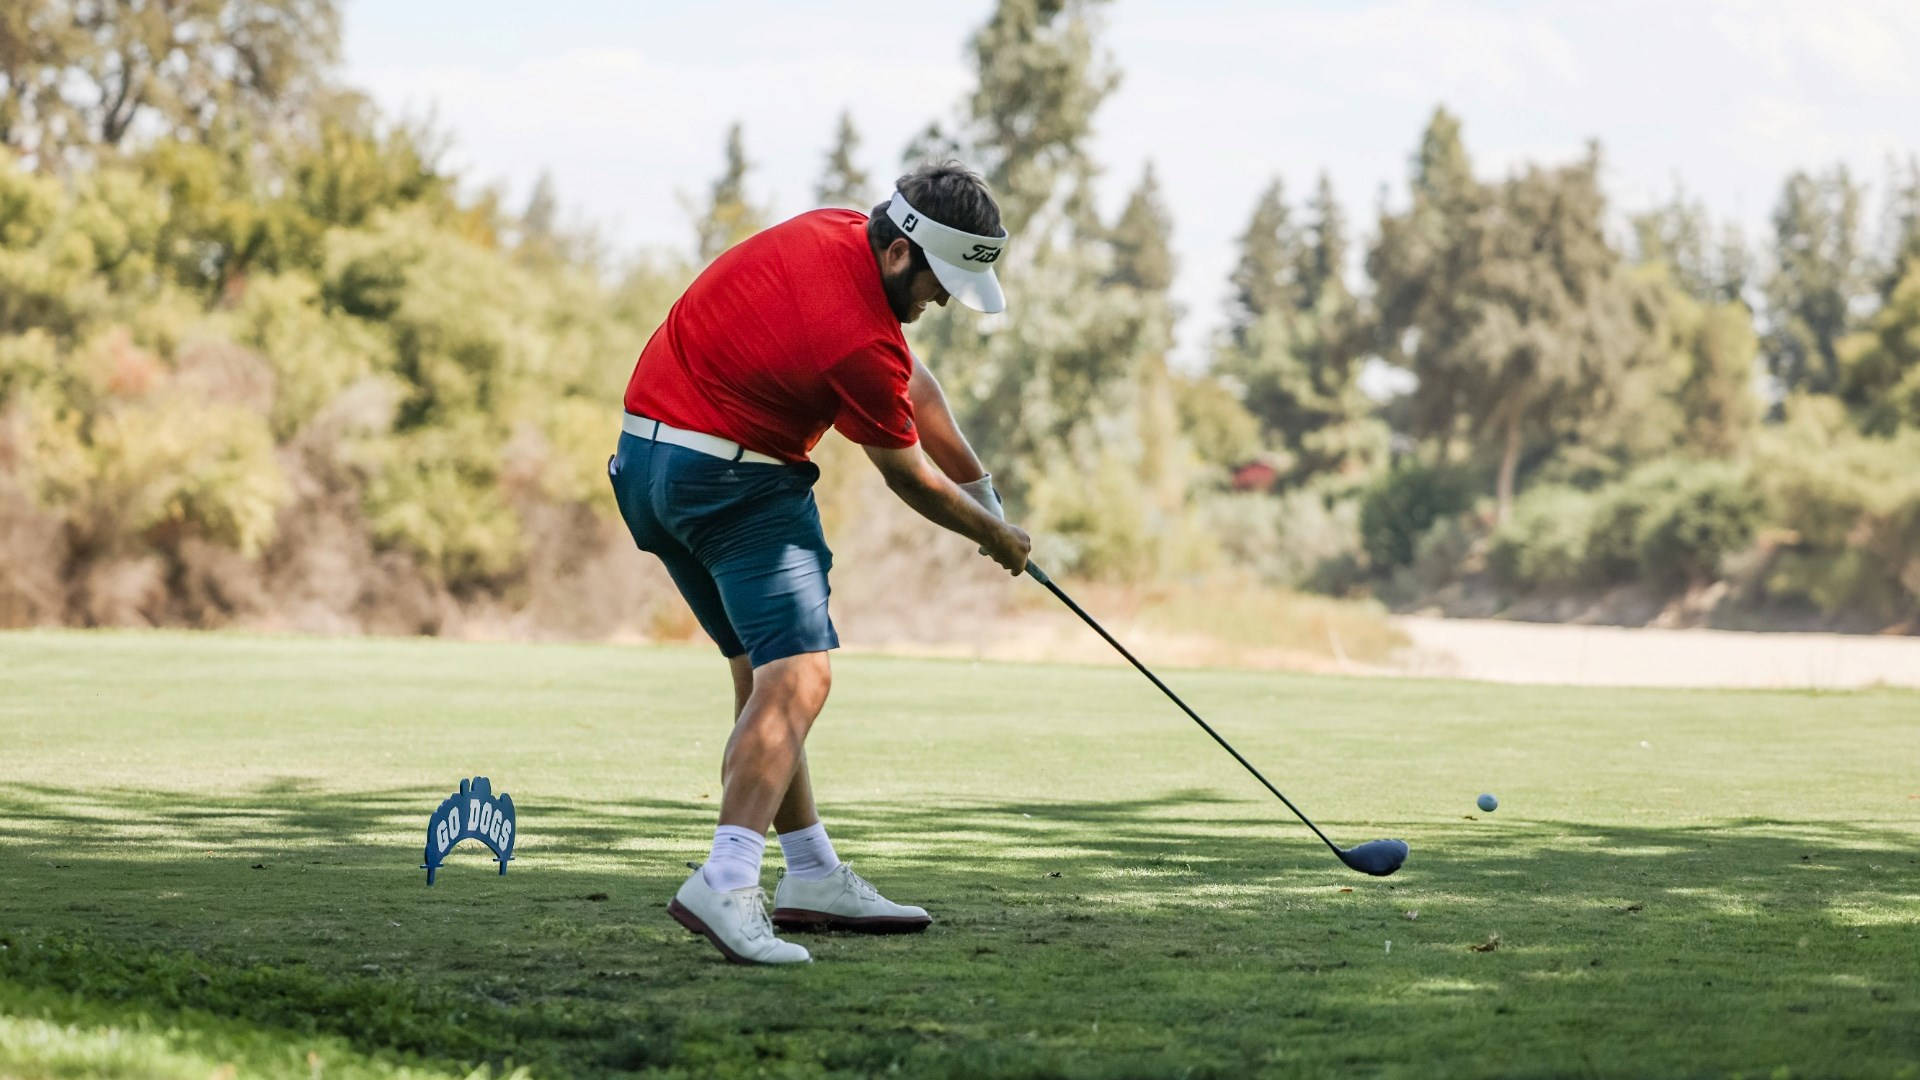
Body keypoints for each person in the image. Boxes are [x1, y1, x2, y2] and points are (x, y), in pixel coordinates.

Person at [608, 161, 1032, 965]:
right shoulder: (857, 339)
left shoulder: (836, 230)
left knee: (766, 677)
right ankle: (727, 880)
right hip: (730, 483)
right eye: (939, 282)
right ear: (903, 252)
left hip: (647, 468)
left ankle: (808, 873)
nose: (940, 302)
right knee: (801, 677)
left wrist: (984, 489)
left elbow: (917, 386)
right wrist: (993, 537)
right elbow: (906, 476)